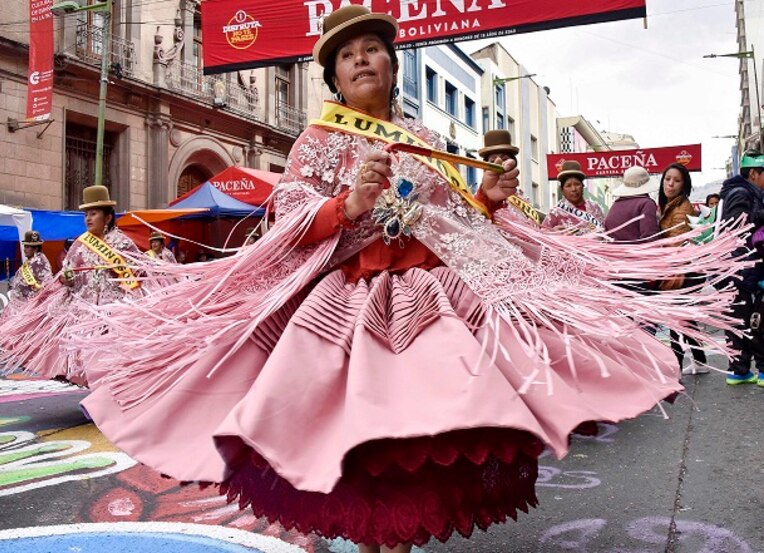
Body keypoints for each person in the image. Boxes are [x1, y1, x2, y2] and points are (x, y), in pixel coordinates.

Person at [78, 7, 741, 553]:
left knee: (422, 432)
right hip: (349, 310)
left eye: (373, 49)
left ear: (394, 66)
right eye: (347, 55)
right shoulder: (318, 140)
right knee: (362, 443)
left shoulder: (425, 138)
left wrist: (485, 199)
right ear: (335, 77)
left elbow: (451, 219)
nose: (362, 59)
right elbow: (289, 216)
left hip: (430, 303)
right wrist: (349, 206)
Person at [0, 185, 148, 385]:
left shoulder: (122, 244)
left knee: (107, 360)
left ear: (108, 217)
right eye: (86, 215)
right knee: (85, 361)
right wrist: (67, 277)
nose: (88, 219)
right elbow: (66, 272)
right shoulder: (81, 243)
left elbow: (137, 276)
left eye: (93, 214)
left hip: (113, 313)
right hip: (83, 312)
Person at [657, 164, 709, 375]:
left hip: (681, 270)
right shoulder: (671, 205)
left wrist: (672, 272)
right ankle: (700, 361)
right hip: (681, 269)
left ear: (684, 185)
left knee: (676, 320)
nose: (670, 184)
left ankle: (676, 366)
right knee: (684, 319)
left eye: (676, 180)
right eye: (667, 179)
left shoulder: (681, 209)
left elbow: (677, 244)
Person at [719, 151, 764, 386]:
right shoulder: (741, 193)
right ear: (754, 173)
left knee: (743, 319)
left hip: (740, 266)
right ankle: (748, 369)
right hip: (742, 266)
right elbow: (737, 225)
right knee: (753, 318)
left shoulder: (747, 192)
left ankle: (740, 369)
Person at [478, 130, 537, 226]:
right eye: (493, 161)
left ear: (514, 163)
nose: (499, 164)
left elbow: (534, 231)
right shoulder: (481, 197)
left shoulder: (522, 199)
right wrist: (487, 196)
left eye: (504, 159)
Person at [542, 160, 605, 232]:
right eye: (568, 186)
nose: (574, 189)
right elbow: (542, 235)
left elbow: (604, 232)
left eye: (577, 184)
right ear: (562, 190)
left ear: (582, 186)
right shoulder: (556, 213)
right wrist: (553, 233)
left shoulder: (595, 208)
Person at [603, 166, 660, 242]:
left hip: (614, 252)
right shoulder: (646, 204)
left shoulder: (615, 205)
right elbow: (649, 237)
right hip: (638, 252)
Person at [5, 231, 53, 314]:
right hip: (20, 305)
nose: (25, 249)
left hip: (30, 307)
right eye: (25, 246)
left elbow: (46, 283)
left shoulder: (39, 262)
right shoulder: (31, 260)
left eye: (28, 247)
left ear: (36, 248)